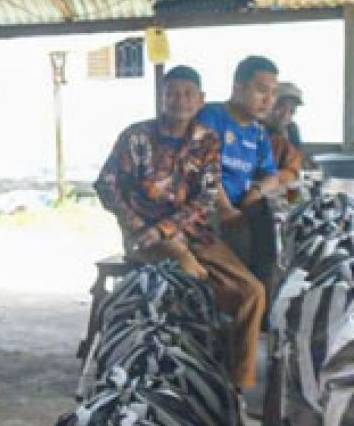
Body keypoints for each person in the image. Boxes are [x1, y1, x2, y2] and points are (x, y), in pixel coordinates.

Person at [95, 65, 265, 389]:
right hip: (145, 235)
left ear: (200, 100)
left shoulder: (206, 141)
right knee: (194, 278)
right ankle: (183, 373)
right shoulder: (136, 136)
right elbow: (106, 185)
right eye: (172, 93)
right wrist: (138, 227)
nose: (180, 100)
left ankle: (237, 385)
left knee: (252, 292)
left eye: (188, 94)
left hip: (194, 233)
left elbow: (206, 197)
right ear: (161, 98)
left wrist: (167, 230)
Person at [196, 55, 280, 213]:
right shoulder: (210, 117)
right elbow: (202, 171)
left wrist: (255, 192)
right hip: (207, 211)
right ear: (237, 88)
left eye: (274, 93)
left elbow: (272, 177)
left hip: (240, 209)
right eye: (262, 90)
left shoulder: (259, 133)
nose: (268, 100)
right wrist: (227, 210)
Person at [266, 82, 304, 188]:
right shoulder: (251, 128)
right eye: (280, 107)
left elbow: (294, 168)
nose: (286, 115)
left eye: (292, 111)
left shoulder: (291, 130)